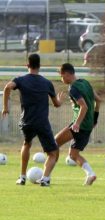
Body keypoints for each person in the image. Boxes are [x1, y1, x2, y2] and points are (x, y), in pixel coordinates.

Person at [2, 53, 63, 186]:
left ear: (27, 65)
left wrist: (5, 107)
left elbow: (7, 87)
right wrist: (60, 100)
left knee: (26, 144)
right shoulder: (47, 83)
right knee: (52, 153)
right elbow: (57, 104)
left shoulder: (20, 80)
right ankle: (45, 179)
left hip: (27, 121)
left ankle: (22, 177)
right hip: (42, 122)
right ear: (40, 66)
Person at [55, 63, 101, 186]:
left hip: (79, 125)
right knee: (73, 155)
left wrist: (77, 123)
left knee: (54, 143)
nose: (61, 79)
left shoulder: (73, 88)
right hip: (87, 126)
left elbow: (84, 106)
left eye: (61, 76)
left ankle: (46, 176)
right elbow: (98, 100)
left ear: (67, 74)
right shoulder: (86, 83)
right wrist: (95, 119)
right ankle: (91, 174)